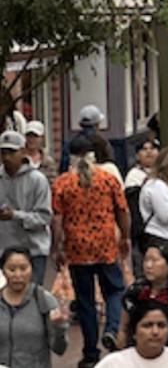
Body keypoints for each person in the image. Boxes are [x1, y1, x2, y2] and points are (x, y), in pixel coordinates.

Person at [51, 132, 129, 364]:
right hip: (105, 245)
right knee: (114, 290)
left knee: (85, 302)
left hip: (77, 250)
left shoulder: (62, 183)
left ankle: (90, 353)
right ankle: (112, 330)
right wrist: (124, 237)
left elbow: (56, 219)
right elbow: (122, 211)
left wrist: (57, 248)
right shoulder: (107, 179)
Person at [0, 245, 66, 366]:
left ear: (31, 269)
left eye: (23, 268)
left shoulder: (44, 300)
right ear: (3, 271)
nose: (18, 275)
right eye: (12, 269)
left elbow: (59, 349)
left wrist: (58, 327)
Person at [0, 131, 49, 281]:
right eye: (3, 152)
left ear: (22, 151)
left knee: (31, 298)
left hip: (32, 250)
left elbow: (44, 217)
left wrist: (15, 215)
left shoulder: (37, 180)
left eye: (12, 152)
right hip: (3, 251)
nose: (7, 157)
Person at [100, 299, 168, 368]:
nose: (155, 332)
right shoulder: (113, 363)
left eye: (161, 325)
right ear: (134, 332)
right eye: (147, 325)